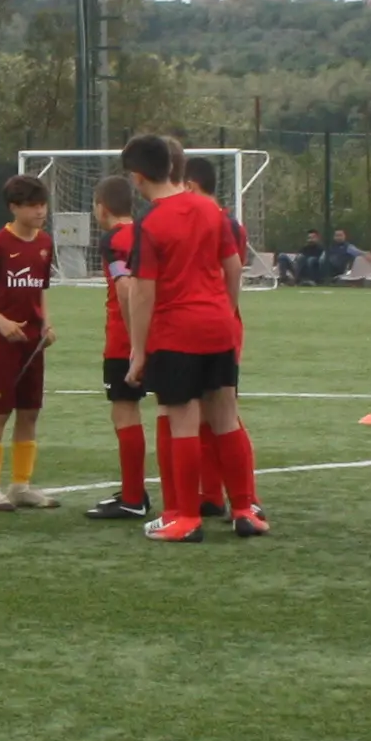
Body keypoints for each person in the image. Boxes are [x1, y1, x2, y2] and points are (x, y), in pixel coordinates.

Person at [121, 133, 263, 539]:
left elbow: (142, 291)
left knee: (182, 421)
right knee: (225, 419)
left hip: (176, 333)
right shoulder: (210, 209)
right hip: (218, 326)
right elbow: (233, 266)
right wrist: (226, 308)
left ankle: (185, 518)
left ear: (137, 177)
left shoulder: (150, 222)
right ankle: (245, 510)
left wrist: (137, 351)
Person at [0, 173, 58, 510]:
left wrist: (46, 324)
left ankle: (21, 485)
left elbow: (41, 291)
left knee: (30, 411)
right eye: (33, 206)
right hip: (1, 341)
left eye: (42, 204)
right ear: (14, 207)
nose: (40, 211)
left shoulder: (45, 243)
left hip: (33, 342)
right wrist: (1, 322)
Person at [88, 173, 153, 520]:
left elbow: (126, 288)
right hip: (165, 333)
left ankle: (132, 496)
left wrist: (133, 340)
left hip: (125, 339)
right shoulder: (147, 232)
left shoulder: (113, 240)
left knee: (125, 411)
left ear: (102, 207)